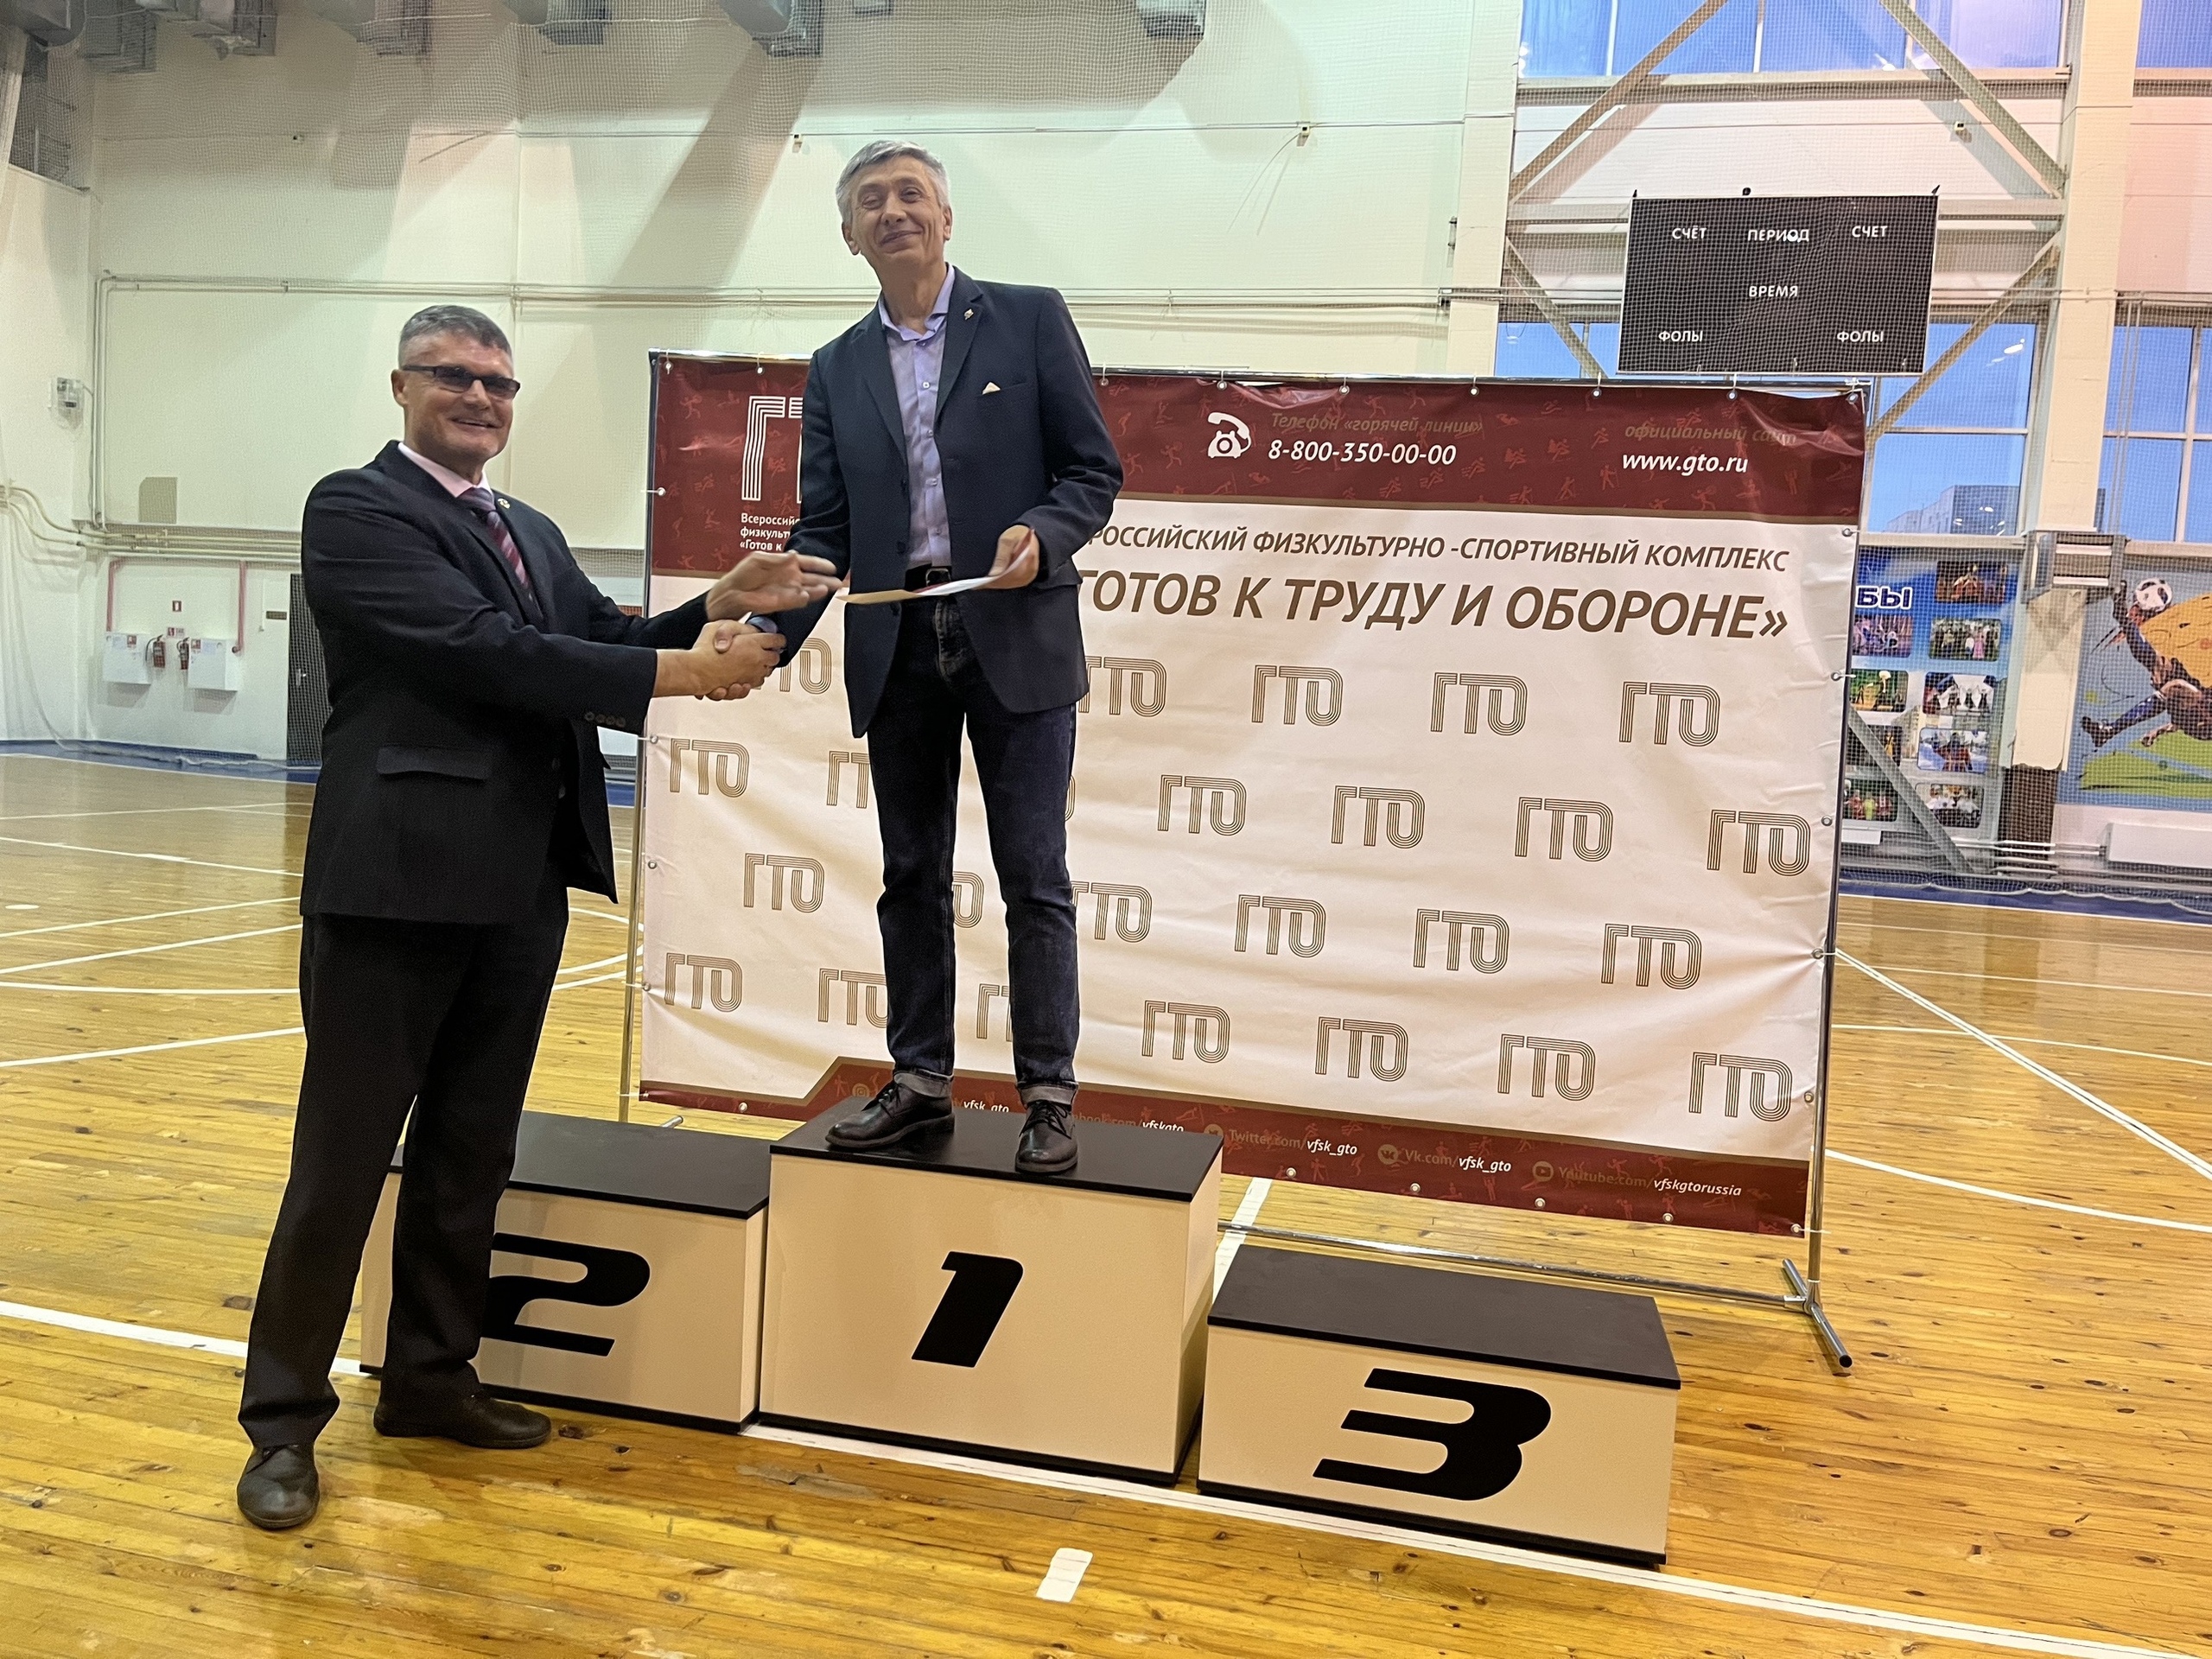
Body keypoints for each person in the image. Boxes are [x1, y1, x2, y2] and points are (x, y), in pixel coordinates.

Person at [235, 305, 841, 1531]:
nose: (481, 398)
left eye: (500, 385)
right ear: (401, 386)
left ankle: (430, 1381)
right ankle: (282, 1425)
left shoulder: (528, 528)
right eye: (455, 377)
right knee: (341, 1165)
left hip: (518, 886)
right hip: (395, 885)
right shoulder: (355, 510)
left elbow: (594, 640)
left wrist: (713, 603)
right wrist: (686, 671)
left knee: (472, 1153)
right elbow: (488, 653)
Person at [748, 140, 1123, 1178]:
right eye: (870, 200)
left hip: (1013, 630)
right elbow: (823, 528)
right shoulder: (835, 367)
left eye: (910, 193)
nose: (893, 210)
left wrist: (1045, 532)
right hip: (897, 639)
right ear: (849, 234)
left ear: (946, 217)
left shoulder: (1029, 318)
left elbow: (1091, 471)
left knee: (1032, 875)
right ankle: (919, 1080)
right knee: (909, 874)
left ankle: (1048, 1094)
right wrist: (766, 641)